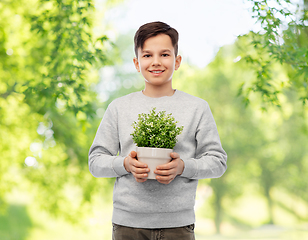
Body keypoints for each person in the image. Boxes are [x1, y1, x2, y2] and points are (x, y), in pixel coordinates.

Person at [88, 21, 227, 240]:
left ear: (177, 60)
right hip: (127, 225)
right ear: (136, 63)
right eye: (147, 55)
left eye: (164, 54)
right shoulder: (118, 108)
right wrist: (124, 164)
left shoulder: (197, 108)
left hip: (178, 226)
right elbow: (95, 161)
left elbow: (217, 161)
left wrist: (183, 167)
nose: (156, 62)